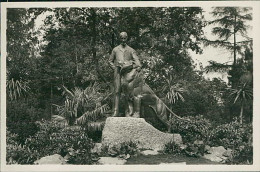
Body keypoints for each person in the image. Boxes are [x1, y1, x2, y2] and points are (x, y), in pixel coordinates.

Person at [109, 32, 141, 117]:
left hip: (127, 73)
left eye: (124, 38)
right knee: (117, 91)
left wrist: (133, 65)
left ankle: (128, 111)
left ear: (127, 39)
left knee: (128, 92)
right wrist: (115, 68)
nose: (123, 40)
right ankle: (116, 111)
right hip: (117, 73)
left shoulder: (131, 50)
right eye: (121, 38)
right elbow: (110, 61)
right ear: (119, 39)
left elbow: (137, 62)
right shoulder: (115, 49)